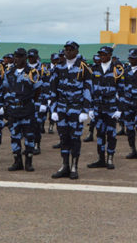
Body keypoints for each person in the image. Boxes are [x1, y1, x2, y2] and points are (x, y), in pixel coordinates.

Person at [49, 41, 92, 179]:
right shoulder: (58, 67)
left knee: (75, 138)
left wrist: (85, 110)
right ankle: (65, 165)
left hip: (76, 109)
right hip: (61, 108)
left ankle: (74, 166)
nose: (68, 52)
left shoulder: (83, 67)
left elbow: (87, 90)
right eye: (66, 49)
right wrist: (53, 109)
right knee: (63, 138)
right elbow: (53, 89)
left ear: (76, 51)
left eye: (71, 49)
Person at [3, 48, 42, 171]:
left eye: (20, 56)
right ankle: (17, 161)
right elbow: (6, 88)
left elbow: (38, 90)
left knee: (29, 136)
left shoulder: (32, 72)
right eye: (16, 56)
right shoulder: (9, 72)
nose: (17, 59)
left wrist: (30, 101)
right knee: (14, 136)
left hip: (27, 109)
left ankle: (28, 162)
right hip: (14, 109)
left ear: (25, 57)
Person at [87, 46, 124, 169]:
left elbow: (122, 90)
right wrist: (90, 108)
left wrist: (120, 109)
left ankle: (110, 158)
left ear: (110, 55)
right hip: (98, 108)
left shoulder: (116, 70)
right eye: (101, 54)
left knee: (111, 134)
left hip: (111, 108)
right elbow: (91, 90)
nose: (102, 56)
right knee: (100, 134)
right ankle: (101, 159)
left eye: (104, 54)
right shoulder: (95, 69)